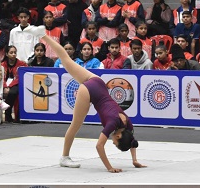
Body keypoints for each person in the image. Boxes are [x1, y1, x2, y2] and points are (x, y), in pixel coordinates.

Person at [39, 33, 146, 172]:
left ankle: (43, 35)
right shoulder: (112, 124)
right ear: (118, 136)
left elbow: (132, 141)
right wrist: (110, 168)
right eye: (115, 143)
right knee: (75, 125)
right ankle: (64, 157)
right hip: (89, 92)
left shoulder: (127, 124)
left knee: (66, 59)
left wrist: (135, 160)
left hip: (98, 82)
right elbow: (99, 146)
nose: (112, 142)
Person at [2, 45, 27, 123]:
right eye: (11, 52)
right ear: (6, 54)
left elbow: (20, 77)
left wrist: (9, 86)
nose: (13, 54)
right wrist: (5, 86)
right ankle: (8, 116)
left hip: (16, 85)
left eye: (15, 52)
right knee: (10, 92)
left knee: (13, 92)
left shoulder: (22, 64)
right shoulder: (2, 65)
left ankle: (9, 114)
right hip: (4, 85)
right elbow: (1, 77)